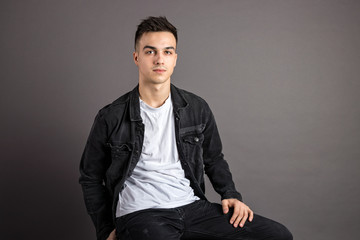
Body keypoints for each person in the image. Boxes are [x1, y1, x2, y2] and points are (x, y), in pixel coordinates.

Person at [79, 16, 293, 240]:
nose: (159, 59)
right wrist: (105, 231)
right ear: (136, 57)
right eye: (150, 52)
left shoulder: (196, 108)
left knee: (278, 235)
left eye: (167, 52)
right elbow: (90, 177)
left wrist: (229, 193)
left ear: (175, 59)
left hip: (191, 207)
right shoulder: (111, 116)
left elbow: (214, 158)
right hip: (140, 213)